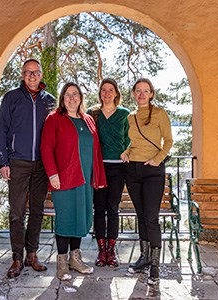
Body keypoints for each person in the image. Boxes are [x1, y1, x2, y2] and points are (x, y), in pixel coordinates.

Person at [40, 82, 107, 281]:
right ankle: (62, 262)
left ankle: (75, 259)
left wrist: (97, 175)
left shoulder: (88, 120)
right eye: (68, 94)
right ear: (62, 98)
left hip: (85, 179)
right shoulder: (54, 119)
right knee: (65, 218)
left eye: (75, 94)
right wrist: (52, 174)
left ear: (80, 97)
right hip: (64, 178)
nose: (72, 98)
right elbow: (46, 148)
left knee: (80, 217)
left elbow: (96, 150)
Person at [0, 59, 55, 278]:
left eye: (36, 72)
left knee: (37, 211)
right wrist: (3, 162)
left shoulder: (49, 101)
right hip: (18, 163)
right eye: (28, 72)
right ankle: (17, 258)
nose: (32, 76)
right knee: (16, 213)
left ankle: (32, 254)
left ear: (41, 75)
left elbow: (55, 134)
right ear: (22, 75)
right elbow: (1, 130)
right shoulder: (11, 98)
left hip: (41, 165)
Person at [120, 78, 173, 285]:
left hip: (153, 171)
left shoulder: (160, 114)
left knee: (151, 218)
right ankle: (143, 258)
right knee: (141, 216)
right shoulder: (131, 117)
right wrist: (126, 152)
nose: (142, 94)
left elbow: (168, 141)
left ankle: (155, 266)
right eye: (138, 91)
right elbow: (132, 143)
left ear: (152, 93)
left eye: (146, 91)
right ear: (133, 93)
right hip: (132, 170)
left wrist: (156, 160)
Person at [87, 78, 130, 267]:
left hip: (118, 167)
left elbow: (131, 138)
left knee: (113, 208)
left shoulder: (125, 114)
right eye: (103, 90)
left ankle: (111, 251)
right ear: (100, 93)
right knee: (99, 208)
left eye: (110, 90)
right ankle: (100, 250)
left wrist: (126, 152)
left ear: (116, 93)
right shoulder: (92, 114)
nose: (106, 93)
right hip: (98, 166)